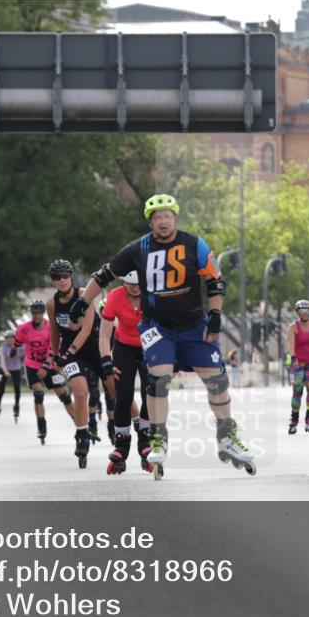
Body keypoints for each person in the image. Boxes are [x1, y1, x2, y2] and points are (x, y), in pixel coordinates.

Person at [70, 193, 255, 480]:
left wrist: (215, 315)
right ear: (151, 223)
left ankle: (227, 435)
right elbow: (104, 275)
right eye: (157, 218)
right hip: (157, 326)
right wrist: (83, 303)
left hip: (194, 326)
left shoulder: (195, 244)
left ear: (175, 218)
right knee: (158, 380)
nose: (163, 222)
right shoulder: (138, 248)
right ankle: (158, 438)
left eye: (167, 216)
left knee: (217, 379)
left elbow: (215, 282)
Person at [46, 259, 107, 468]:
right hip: (72, 355)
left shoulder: (84, 295)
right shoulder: (52, 303)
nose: (62, 281)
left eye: (65, 276)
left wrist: (67, 352)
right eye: (57, 278)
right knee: (80, 393)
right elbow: (54, 330)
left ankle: (138, 427)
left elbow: (87, 329)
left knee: (116, 389)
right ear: (53, 281)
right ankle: (82, 434)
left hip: (93, 347)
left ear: (71, 277)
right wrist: (56, 355)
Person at [99, 270, 153, 474]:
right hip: (124, 347)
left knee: (151, 392)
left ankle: (145, 439)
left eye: (139, 284)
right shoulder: (114, 296)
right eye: (131, 284)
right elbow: (104, 334)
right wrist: (106, 360)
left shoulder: (152, 295)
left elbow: (167, 325)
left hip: (150, 345)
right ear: (123, 282)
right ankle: (121, 444)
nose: (135, 288)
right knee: (124, 395)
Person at [16, 299, 74, 444]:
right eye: (34, 313)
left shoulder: (51, 327)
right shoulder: (24, 328)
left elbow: (53, 349)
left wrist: (46, 367)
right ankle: (41, 426)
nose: (36, 316)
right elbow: (18, 341)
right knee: (38, 394)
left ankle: (79, 423)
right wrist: (12, 350)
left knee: (64, 396)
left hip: (49, 365)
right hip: (32, 365)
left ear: (43, 313)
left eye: (39, 313)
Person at [286, 299, 309, 435]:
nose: (305, 313)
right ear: (298, 313)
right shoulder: (293, 327)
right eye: (302, 311)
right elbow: (290, 344)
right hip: (298, 364)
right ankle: (294, 418)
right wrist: (294, 357)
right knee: (297, 392)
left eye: (307, 311)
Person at [0, 330, 24, 425]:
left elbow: (27, 354)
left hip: (16, 369)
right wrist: (5, 371)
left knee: (17, 386)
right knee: (1, 389)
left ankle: (16, 405)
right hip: (4, 370)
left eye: (12, 338)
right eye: (8, 338)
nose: (10, 340)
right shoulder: (3, 347)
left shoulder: (20, 346)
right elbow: (2, 361)